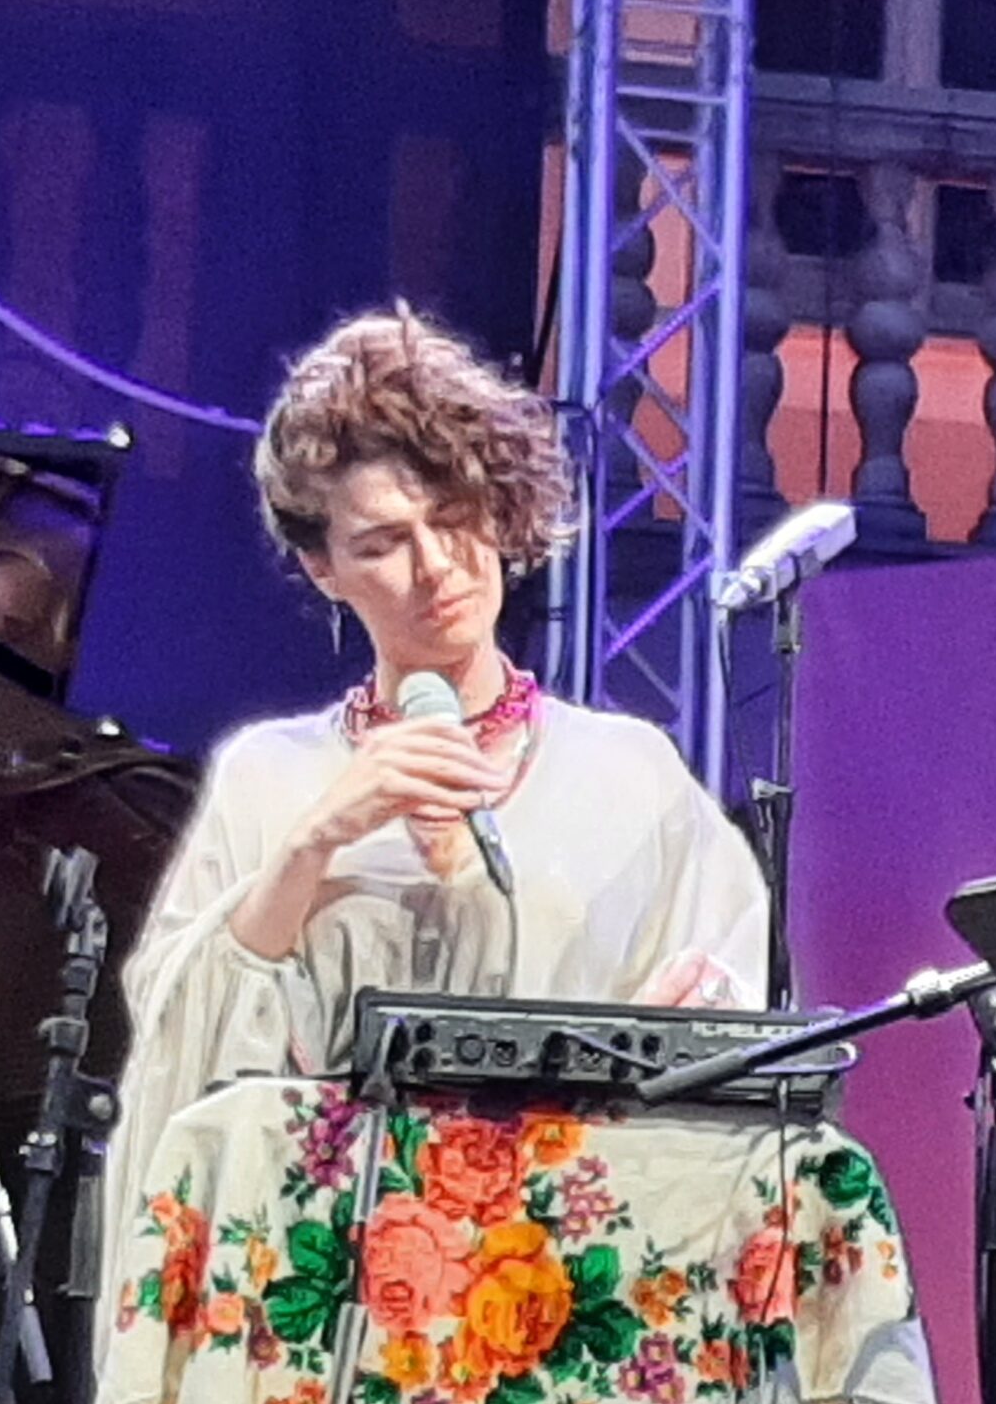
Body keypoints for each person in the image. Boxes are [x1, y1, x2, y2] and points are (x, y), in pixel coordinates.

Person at [102, 304, 767, 1284]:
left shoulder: (629, 773)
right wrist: (311, 844)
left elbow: (731, 1026)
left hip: (565, 1276)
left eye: (453, 520)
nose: (436, 569)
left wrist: (673, 1033)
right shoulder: (270, 776)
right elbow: (180, 1063)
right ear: (322, 568)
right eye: (382, 543)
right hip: (326, 1278)